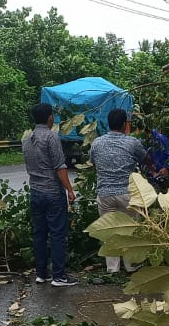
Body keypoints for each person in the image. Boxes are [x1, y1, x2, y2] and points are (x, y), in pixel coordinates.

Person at [23, 103, 77, 287]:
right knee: (57, 233)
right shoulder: (52, 137)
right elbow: (60, 167)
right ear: (49, 117)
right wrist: (70, 189)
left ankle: (41, 273)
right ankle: (59, 276)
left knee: (39, 233)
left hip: (35, 192)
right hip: (52, 192)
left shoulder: (27, 139)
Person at [89, 108, 147, 273]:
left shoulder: (97, 143)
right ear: (124, 124)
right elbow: (145, 159)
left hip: (105, 193)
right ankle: (131, 266)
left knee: (109, 231)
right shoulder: (132, 142)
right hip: (127, 193)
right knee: (130, 229)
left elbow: (94, 163)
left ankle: (112, 269)